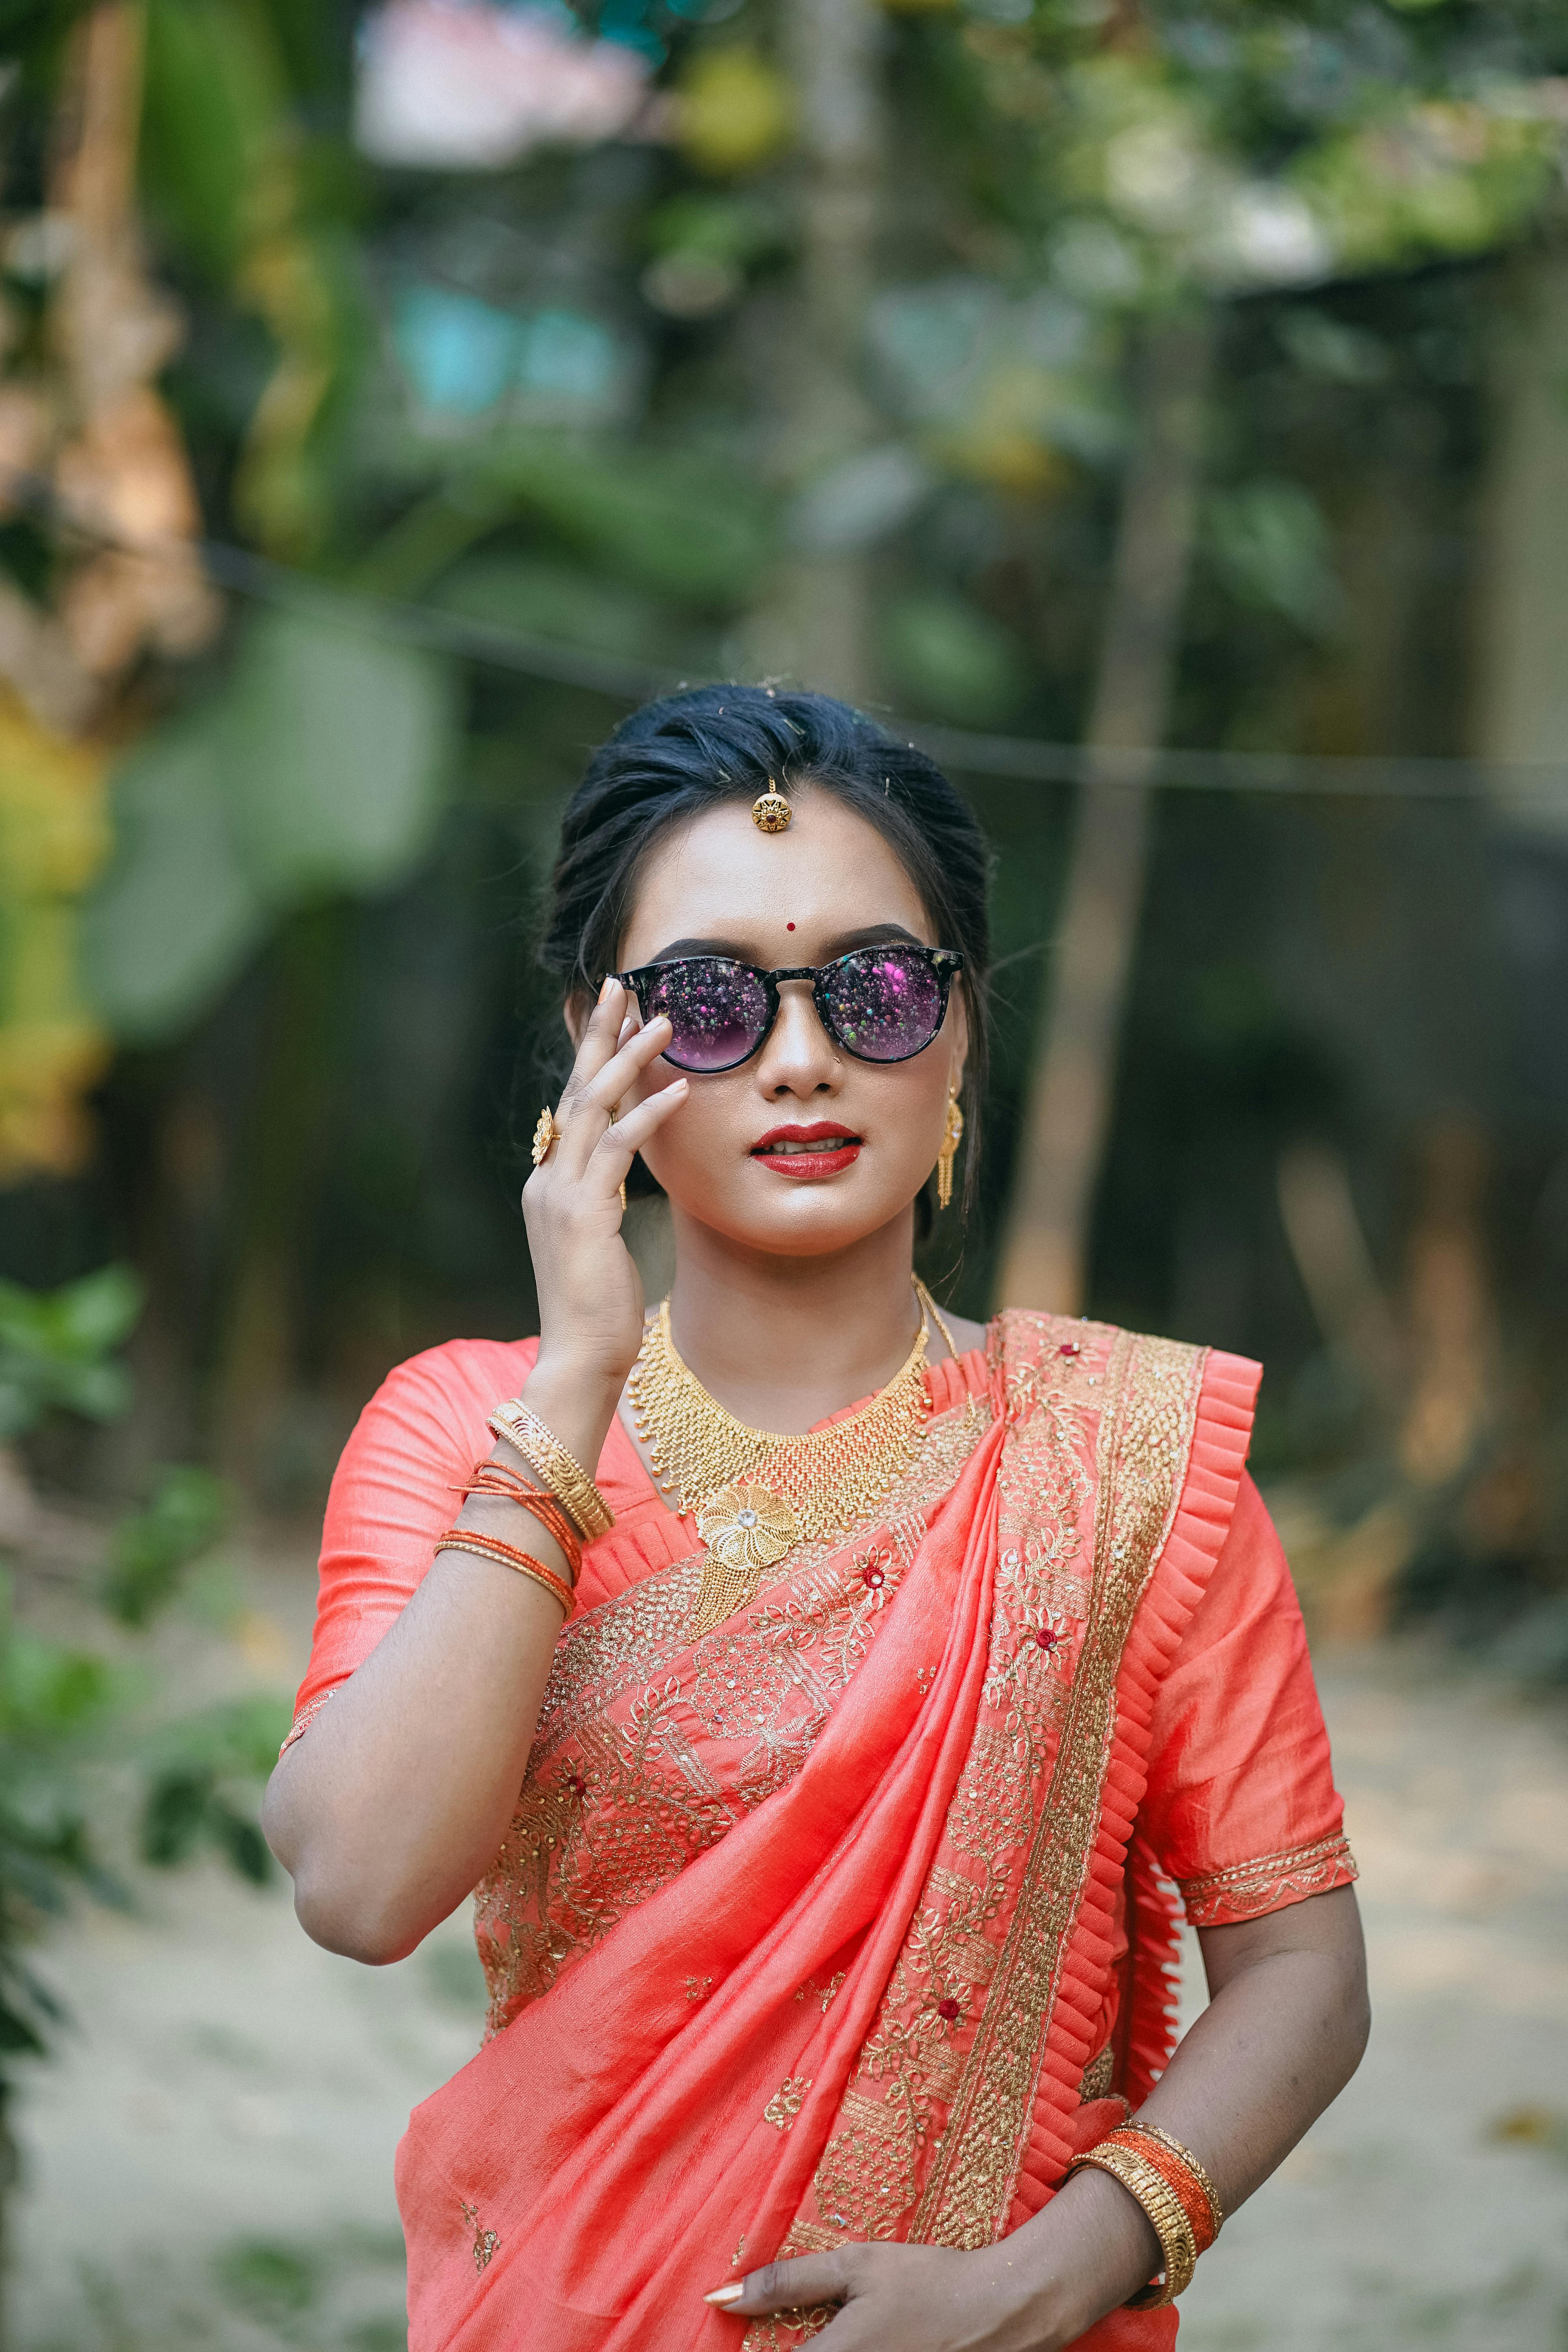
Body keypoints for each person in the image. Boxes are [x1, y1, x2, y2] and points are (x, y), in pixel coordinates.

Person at [263, 685, 1368, 2352]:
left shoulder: (1127, 1468)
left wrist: (1045, 2275)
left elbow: (1302, 1975)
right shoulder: (462, 1424)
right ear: (597, 1041)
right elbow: (360, 1886)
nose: (797, 1059)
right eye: (707, 1001)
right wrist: (572, 1386)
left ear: (961, 1033)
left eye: (873, 990)